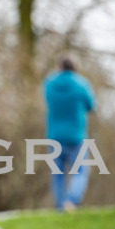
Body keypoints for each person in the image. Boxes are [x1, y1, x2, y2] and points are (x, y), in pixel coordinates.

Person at [43, 55, 96, 212]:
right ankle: (71, 202)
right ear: (75, 67)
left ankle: (60, 206)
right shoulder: (82, 84)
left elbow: (47, 99)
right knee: (80, 171)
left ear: (59, 67)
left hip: (55, 136)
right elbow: (92, 105)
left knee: (57, 173)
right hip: (76, 136)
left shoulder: (49, 83)